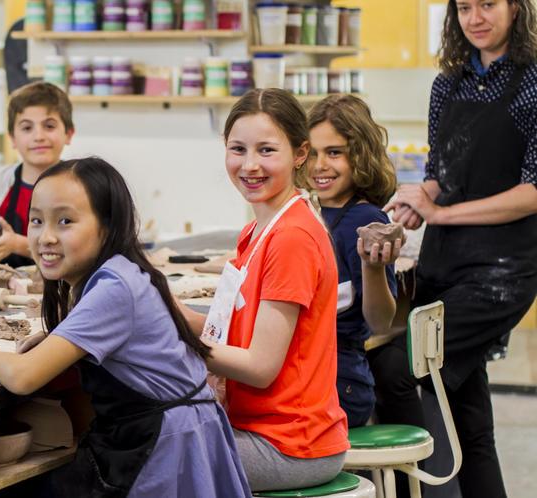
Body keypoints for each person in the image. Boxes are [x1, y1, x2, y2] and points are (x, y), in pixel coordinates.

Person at [0, 158, 250, 497]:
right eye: (36, 221)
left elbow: (23, 377)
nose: (45, 236)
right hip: (166, 434)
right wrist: (60, 341)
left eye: (65, 221)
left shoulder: (115, 287)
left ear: (108, 227)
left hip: (164, 449)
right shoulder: (114, 274)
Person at [380, 1, 537, 496]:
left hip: (501, 274)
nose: (475, 17)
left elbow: (533, 190)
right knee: (471, 422)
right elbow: (441, 174)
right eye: (464, 7)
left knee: (398, 366)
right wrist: (417, 201)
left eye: (487, 4)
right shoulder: (448, 83)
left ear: (516, 7)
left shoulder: (534, 82)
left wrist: (440, 213)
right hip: (444, 263)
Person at [181, 89, 349, 491]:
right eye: (238, 149)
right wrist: (168, 309)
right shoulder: (257, 231)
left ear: (300, 153)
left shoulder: (291, 237)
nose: (250, 165)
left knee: (141, 455)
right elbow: (233, 332)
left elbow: (260, 366)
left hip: (288, 443)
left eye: (267, 150)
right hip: (263, 427)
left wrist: (179, 336)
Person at [307, 95, 400, 427]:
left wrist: (372, 267)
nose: (320, 165)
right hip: (309, 371)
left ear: (360, 155)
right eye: (313, 152)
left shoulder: (365, 221)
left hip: (340, 382)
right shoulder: (310, 210)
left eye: (334, 153)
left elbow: (380, 321)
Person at [0, 82, 74, 267]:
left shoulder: (79, 185)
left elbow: (80, 252)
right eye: (27, 128)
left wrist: (18, 244)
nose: (38, 136)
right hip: (9, 290)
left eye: (49, 126)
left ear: (69, 133)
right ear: (12, 138)